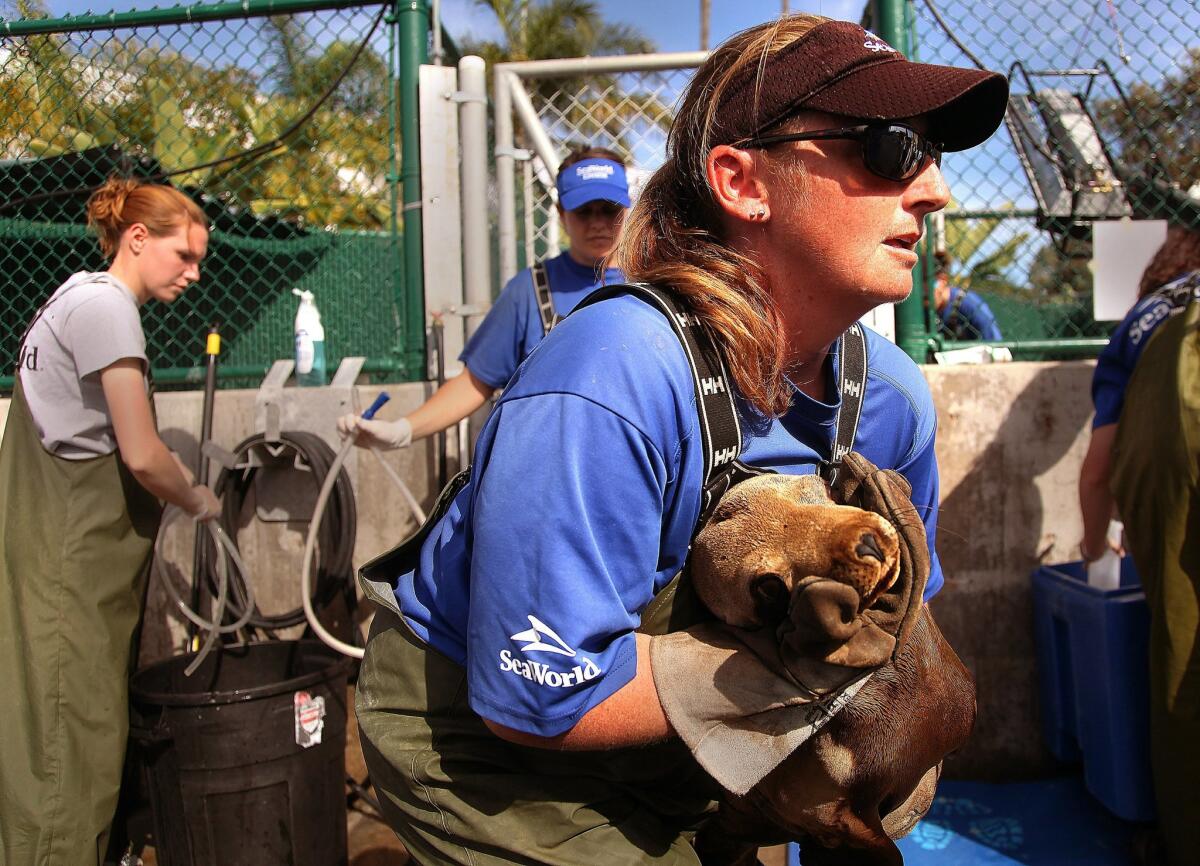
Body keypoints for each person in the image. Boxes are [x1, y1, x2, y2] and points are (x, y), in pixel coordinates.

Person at [355, 14, 1008, 864]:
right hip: (492, 745)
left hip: (681, 741)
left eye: (933, 154)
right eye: (887, 148)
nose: (932, 190)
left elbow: (901, 621)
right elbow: (534, 693)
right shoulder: (612, 375)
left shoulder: (889, 399)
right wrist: (776, 681)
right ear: (742, 182)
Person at [0, 177, 220, 866]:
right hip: (69, 575)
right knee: (70, 750)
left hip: (60, 570)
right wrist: (197, 498)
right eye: (183, 256)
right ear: (136, 238)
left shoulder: (70, 298)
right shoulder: (107, 311)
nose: (192, 273)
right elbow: (144, 452)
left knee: (56, 743)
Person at [337, 146, 630, 450]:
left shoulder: (652, 286)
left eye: (608, 208)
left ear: (627, 208)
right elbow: (476, 381)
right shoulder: (531, 289)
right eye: (584, 211)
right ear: (560, 213)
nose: (597, 223)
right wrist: (400, 430)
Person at [1078, 225, 1200, 866]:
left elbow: (1098, 468)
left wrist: (1096, 544)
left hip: (1176, 455)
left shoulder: (1145, 321)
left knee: (1182, 649)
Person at [933, 251, 1003, 341]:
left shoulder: (968, 303)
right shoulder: (924, 310)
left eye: (923, 281)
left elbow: (997, 348)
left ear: (942, 280)